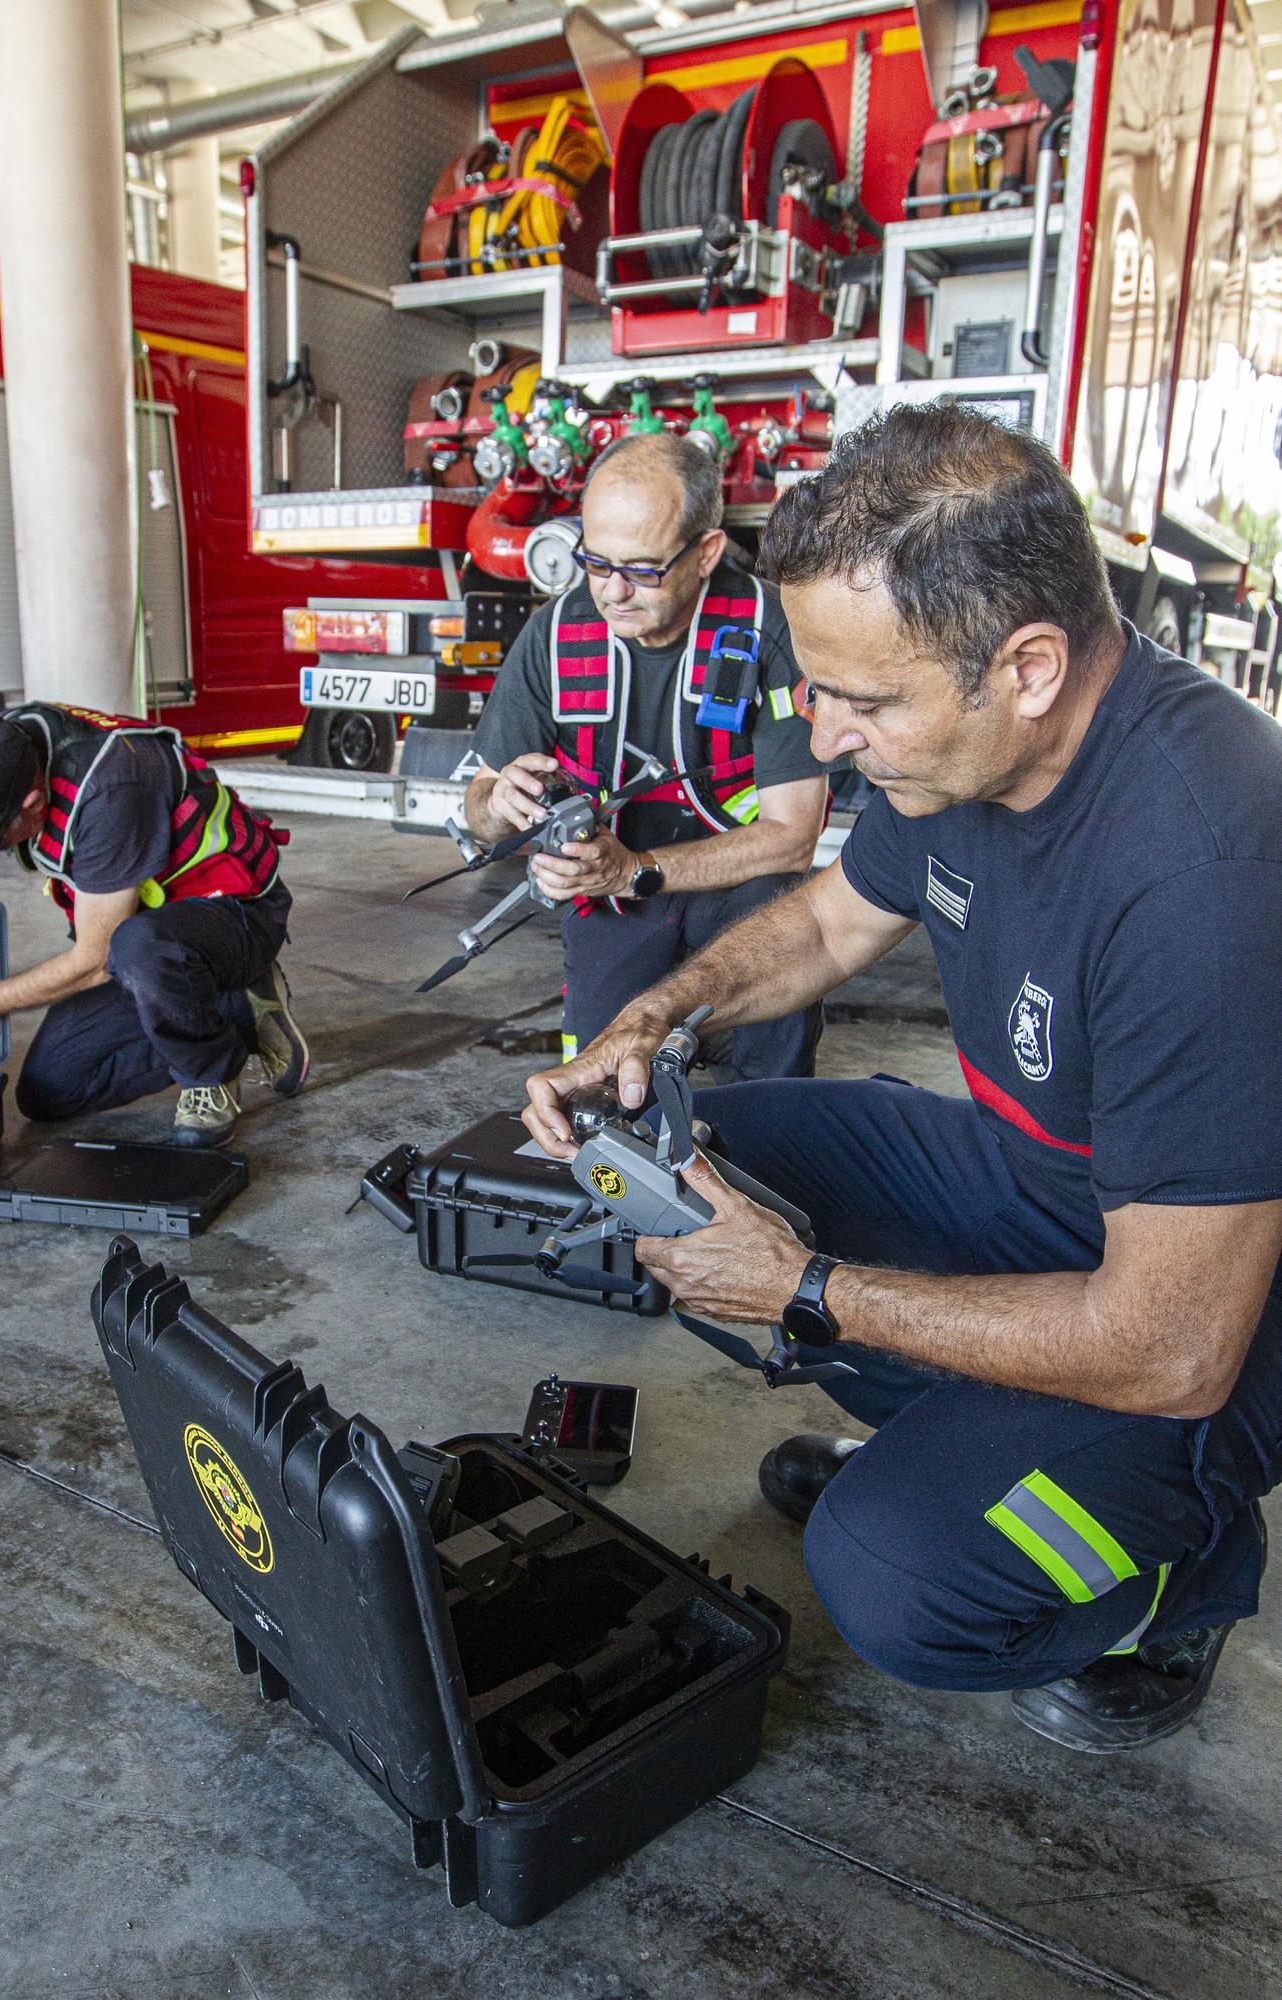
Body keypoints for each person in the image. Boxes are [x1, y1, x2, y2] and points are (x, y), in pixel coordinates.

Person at [521, 402, 1282, 1753]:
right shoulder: (966, 760)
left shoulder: (1200, 871)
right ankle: (980, 1435)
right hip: (1039, 1185)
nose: (820, 739)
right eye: (817, 687)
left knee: (899, 1581)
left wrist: (808, 1288)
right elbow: (822, 921)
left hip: (1214, 1309)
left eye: (865, 701)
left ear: (1029, 665)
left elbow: (1170, 1343)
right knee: (697, 1181)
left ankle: (1181, 1578)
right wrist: (652, 1017)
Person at [465, 431, 829, 1076]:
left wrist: (633, 868)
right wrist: (498, 803)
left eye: (641, 569)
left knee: (772, 1086)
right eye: (596, 563)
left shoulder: (772, 628)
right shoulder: (555, 633)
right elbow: (479, 805)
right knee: (598, 1097)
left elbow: (792, 838)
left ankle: (744, 1076)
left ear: (707, 551)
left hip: (740, 888)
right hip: (610, 899)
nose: (613, 592)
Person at [0, 702, 311, 1147]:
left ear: (33, 806)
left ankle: (208, 1071)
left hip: (235, 914)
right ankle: (230, 1007)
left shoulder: (111, 791)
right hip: (147, 942)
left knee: (136, 946)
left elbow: (95, 961)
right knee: (47, 1093)